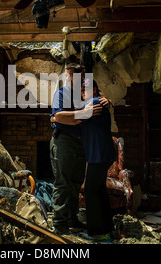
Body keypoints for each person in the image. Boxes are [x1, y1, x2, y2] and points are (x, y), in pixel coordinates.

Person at [52, 78, 116, 243]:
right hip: (101, 154)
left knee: (91, 191)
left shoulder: (94, 103)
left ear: (94, 90)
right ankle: (107, 229)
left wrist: (54, 118)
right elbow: (73, 115)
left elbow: (70, 117)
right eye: (79, 90)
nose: (81, 94)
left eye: (84, 90)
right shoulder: (90, 102)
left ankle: (97, 233)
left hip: (99, 154)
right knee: (99, 190)